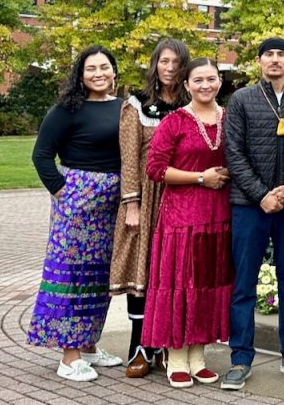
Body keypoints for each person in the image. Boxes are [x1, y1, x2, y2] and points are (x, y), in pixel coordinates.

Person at [27, 46, 125, 382]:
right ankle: (69, 357)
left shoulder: (123, 108)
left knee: (100, 277)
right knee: (71, 276)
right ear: (80, 75)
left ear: (114, 71)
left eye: (104, 67)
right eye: (90, 69)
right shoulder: (66, 110)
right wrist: (64, 192)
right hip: (77, 205)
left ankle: (88, 346)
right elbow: (41, 156)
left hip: (112, 204)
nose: (98, 73)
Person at [220, 37, 284, 391]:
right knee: (243, 283)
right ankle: (240, 358)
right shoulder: (241, 99)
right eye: (268, 55)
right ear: (258, 61)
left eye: (281, 55)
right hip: (249, 207)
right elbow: (233, 153)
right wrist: (261, 195)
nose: (275, 60)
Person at [142, 57, 232, 388]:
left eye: (211, 79)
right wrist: (199, 178)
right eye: (198, 80)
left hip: (217, 217)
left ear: (220, 82)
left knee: (206, 286)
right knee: (180, 284)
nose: (205, 85)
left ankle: (198, 355)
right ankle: (176, 356)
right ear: (186, 85)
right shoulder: (175, 122)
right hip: (181, 218)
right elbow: (155, 168)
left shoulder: (230, 119)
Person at [109, 37, 190, 377]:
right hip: (145, 194)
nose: (169, 68)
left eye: (176, 62)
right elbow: (128, 158)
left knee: (171, 270)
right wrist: (131, 203)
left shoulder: (192, 104)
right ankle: (140, 345)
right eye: (164, 61)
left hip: (182, 196)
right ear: (155, 64)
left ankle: (168, 346)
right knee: (142, 270)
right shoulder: (136, 105)